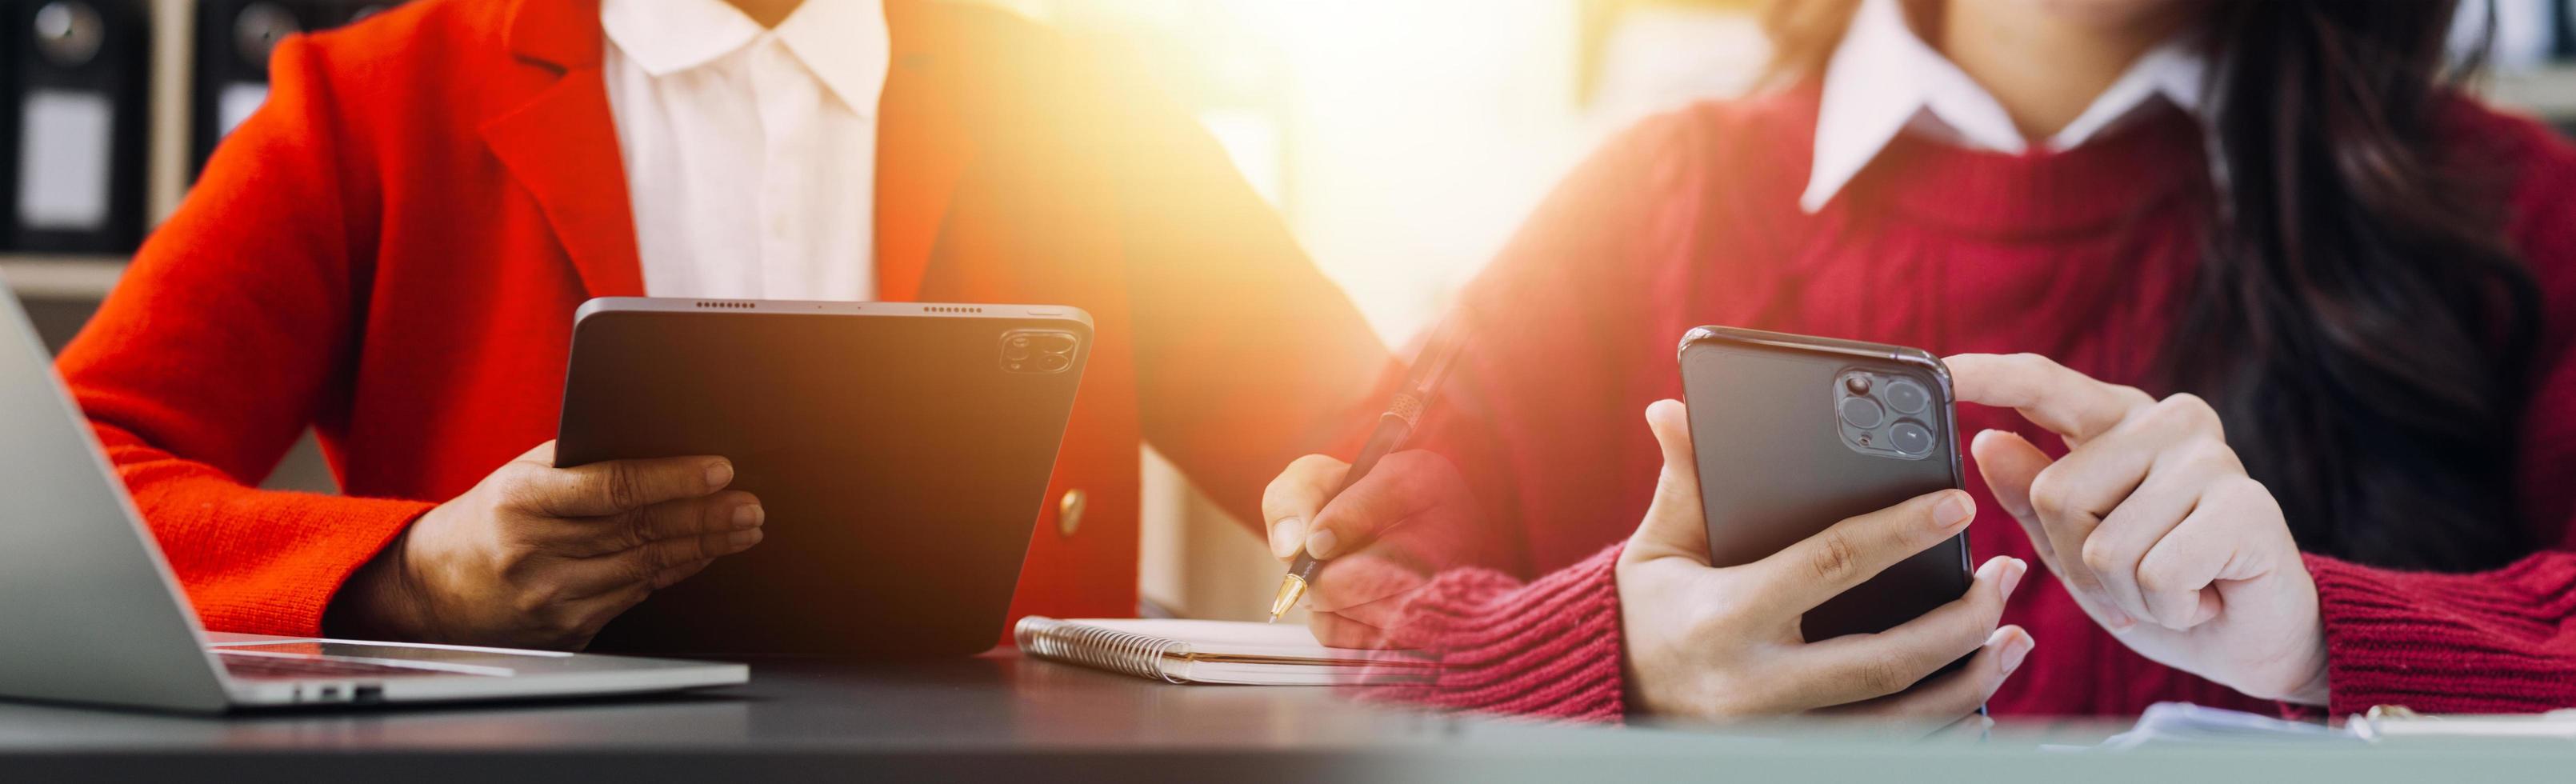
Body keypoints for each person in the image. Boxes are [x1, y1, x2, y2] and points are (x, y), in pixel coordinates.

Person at [1262, 0, 2576, 722]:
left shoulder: (2516, 211)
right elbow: (1338, 583)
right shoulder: (1652, 198)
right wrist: (1612, 660)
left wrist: (2325, 643)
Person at [54, 0, 1387, 649]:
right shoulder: (371, 100)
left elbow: (1383, 443)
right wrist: (412, 569)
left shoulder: (1082, 107)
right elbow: (61, 495)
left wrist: (1379, 502)